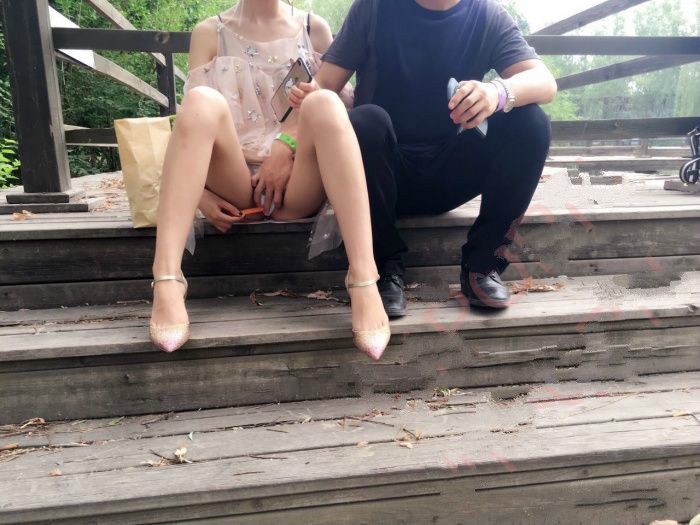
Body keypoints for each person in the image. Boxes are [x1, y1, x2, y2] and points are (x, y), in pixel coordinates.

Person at [149, 0, 390, 360]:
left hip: (298, 181)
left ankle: (363, 277)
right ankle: (167, 277)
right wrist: (199, 195)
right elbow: (190, 129)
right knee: (199, 100)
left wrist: (287, 145)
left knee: (325, 102)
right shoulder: (209, 33)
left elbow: (337, 120)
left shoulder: (314, 29)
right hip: (235, 181)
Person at [290, 0, 557, 315]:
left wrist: (496, 93)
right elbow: (323, 88)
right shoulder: (373, 8)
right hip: (378, 175)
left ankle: (483, 266)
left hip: (450, 172)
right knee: (364, 122)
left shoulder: (487, 15)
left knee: (531, 122)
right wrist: (287, 143)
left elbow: (544, 82)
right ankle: (383, 268)